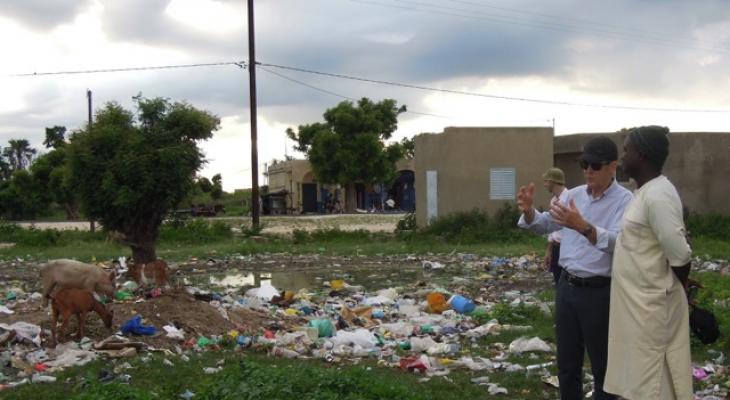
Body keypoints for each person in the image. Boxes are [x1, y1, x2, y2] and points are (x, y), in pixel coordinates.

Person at [517, 136, 632, 400]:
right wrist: (530, 213)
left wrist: (580, 225)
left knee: (603, 366)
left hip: (598, 291)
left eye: (595, 165)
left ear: (612, 166)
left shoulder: (625, 201)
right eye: (584, 164)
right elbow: (548, 223)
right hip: (567, 286)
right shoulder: (575, 195)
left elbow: (618, 242)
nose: (588, 171)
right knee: (567, 363)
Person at [604, 126, 693, 400]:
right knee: (637, 382)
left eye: (627, 149)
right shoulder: (643, 192)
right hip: (636, 309)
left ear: (640, 155)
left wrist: (674, 287)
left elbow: (680, 254)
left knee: (653, 384)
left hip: (651, 309)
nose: (623, 155)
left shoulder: (658, 195)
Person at [542, 167, 569, 284]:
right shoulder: (554, 200)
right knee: (557, 281)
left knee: (566, 282)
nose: (545, 185)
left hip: (567, 247)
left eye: (546, 181)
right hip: (556, 247)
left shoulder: (569, 198)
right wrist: (549, 251)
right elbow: (553, 228)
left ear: (552, 182)